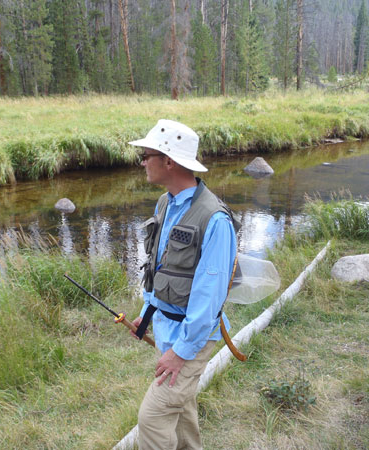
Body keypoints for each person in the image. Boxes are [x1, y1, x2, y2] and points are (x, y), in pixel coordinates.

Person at [128, 119, 239, 450]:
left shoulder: (215, 220)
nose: (142, 162)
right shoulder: (165, 203)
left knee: (154, 416)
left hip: (193, 337)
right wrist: (146, 315)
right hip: (168, 330)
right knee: (182, 409)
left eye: (146, 156)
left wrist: (180, 353)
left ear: (168, 161)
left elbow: (209, 297)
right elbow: (159, 268)